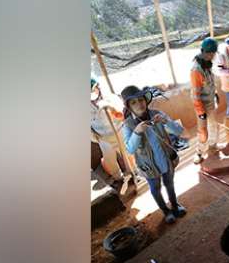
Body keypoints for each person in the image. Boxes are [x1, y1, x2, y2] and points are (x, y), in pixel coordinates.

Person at [121, 85, 186, 224]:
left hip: (165, 160)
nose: (139, 104)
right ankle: (165, 211)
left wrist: (166, 121)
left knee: (169, 184)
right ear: (129, 107)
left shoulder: (157, 114)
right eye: (133, 102)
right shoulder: (128, 125)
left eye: (141, 99)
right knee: (155, 189)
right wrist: (137, 132)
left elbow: (179, 131)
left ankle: (175, 205)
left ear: (146, 100)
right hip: (148, 166)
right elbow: (130, 150)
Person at [90, 75, 127, 191]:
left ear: (98, 87)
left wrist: (111, 107)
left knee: (127, 153)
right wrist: (95, 137)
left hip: (118, 131)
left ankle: (134, 172)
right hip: (103, 137)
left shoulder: (110, 98)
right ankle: (118, 178)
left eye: (92, 90)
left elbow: (122, 114)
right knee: (110, 159)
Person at [190, 37, 220, 164]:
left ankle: (212, 146)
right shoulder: (196, 70)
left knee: (214, 125)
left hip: (210, 101)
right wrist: (201, 112)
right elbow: (195, 94)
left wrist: (216, 93)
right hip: (201, 105)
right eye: (211, 53)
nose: (213, 56)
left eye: (214, 53)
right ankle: (199, 152)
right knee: (203, 131)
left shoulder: (207, 63)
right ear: (206, 52)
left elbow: (210, 82)